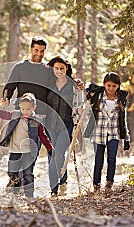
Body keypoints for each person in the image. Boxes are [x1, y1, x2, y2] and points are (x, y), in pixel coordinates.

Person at [0, 93, 54, 198]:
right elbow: (2, 114)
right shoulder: (15, 115)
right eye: (23, 109)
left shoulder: (37, 121)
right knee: (12, 172)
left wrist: (50, 148)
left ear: (34, 107)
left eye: (28, 109)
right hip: (14, 151)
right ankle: (15, 188)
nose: (25, 112)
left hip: (28, 152)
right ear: (20, 107)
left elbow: (43, 136)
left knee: (28, 174)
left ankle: (29, 196)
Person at [83, 72, 130, 194]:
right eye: (108, 85)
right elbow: (88, 88)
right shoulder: (98, 96)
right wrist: (88, 93)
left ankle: (109, 183)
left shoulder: (120, 99)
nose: (111, 88)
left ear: (118, 86)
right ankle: (96, 185)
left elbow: (123, 119)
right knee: (99, 160)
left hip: (113, 133)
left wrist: (126, 137)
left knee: (112, 159)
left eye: (114, 86)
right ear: (104, 84)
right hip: (99, 133)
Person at [45, 55, 84, 196]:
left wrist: (80, 111)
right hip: (49, 125)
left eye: (62, 68)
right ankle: (54, 190)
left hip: (67, 125)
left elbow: (80, 103)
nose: (60, 71)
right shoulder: (48, 84)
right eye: (57, 68)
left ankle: (62, 181)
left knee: (58, 154)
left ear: (67, 69)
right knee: (52, 156)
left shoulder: (74, 85)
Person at [1, 36, 50, 117]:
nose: (39, 54)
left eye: (42, 51)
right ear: (30, 49)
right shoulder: (20, 67)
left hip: (41, 114)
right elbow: (9, 87)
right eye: (36, 50)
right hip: (21, 113)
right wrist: (6, 99)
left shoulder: (48, 68)